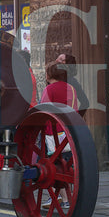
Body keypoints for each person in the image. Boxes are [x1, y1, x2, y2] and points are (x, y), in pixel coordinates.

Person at [40, 61, 77, 209]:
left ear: (49, 74)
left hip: (53, 132)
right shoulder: (71, 89)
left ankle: (64, 198)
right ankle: (60, 197)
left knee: (55, 166)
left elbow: (43, 111)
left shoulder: (49, 89)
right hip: (70, 131)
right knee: (67, 165)